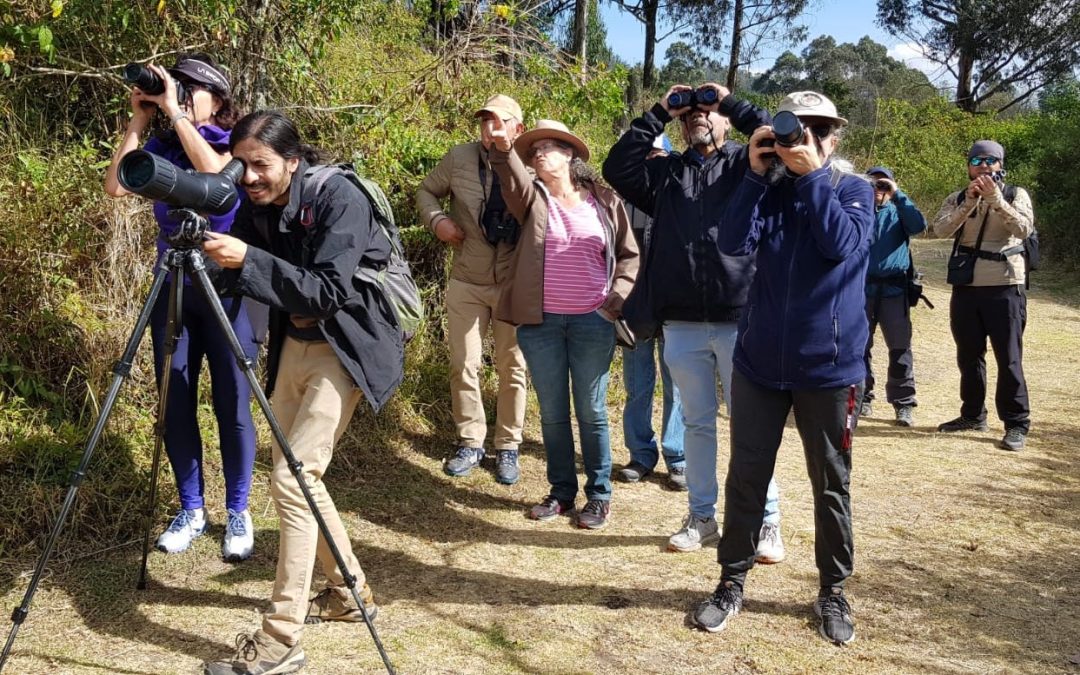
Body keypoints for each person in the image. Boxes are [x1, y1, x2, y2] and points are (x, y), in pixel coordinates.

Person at [201, 110, 404, 674]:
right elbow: (239, 270)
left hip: (345, 345)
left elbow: (328, 291)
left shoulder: (340, 198)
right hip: (295, 344)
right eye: (241, 166)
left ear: (293, 161)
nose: (250, 178)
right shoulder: (258, 205)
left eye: (261, 165)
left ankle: (280, 640)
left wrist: (249, 260)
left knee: (295, 477)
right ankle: (349, 592)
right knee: (294, 477)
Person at [697, 91, 874, 645]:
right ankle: (731, 581)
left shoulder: (854, 190)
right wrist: (753, 173)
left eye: (819, 130)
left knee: (830, 484)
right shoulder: (768, 190)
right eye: (797, 129)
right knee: (746, 476)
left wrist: (813, 176)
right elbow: (730, 242)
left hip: (830, 367)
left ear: (834, 137)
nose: (805, 139)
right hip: (758, 363)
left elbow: (840, 245)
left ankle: (833, 591)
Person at [602, 83, 785, 560]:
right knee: (698, 424)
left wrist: (731, 104)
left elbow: (784, 141)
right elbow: (616, 166)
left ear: (724, 120)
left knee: (751, 426)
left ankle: (766, 522)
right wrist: (661, 109)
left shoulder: (750, 164)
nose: (696, 120)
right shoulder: (664, 175)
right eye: (689, 116)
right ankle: (702, 517)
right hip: (680, 322)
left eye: (707, 113)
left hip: (741, 318)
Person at [103, 54, 259, 562]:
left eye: (193, 88)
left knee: (233, 404)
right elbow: (116, 186)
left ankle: (238, 509)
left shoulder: (232, 145)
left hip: (225, 287)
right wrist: (143, 116)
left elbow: (218, 184)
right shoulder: (162, 146)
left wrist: (179, 114)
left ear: (219, 99)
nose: (183, 94)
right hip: (171, 285)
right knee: (175, 401)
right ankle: (192, 509)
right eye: (178, 85)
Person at [488, 117, 638, 530]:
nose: (538, 154)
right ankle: (561, 492)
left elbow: (628, 255)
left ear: (570, 154)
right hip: (541, 324)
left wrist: (616, 299)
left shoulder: (605, 201)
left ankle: (599, 495)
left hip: (594, 321)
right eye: (533, 150)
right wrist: (504, 150)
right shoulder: (531, 199)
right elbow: (510, 178)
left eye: (548, 147)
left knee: (591, 410)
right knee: (553, 412)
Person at [415, 94, 529, 484]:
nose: (489, 129)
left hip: (514, 283)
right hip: (467, 278)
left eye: (499, 121)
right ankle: (470, 440)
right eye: (484, 121)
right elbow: (425, 191)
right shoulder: (458, 157)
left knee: (512, 367)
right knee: (464, 364)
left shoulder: (531, 159)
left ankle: (508, 446)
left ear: (519, 128)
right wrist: (437, 222)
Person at [932, 140, 1035, 451]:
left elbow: (1023, 229)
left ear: (1000, 164)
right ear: (968, 165)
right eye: (976, 160)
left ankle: (1016, 423)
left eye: (990, 160)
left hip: (1005, 285)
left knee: (1009, 357)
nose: (983, 165)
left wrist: (995, 199)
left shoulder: (1016, 194)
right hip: (966, 287)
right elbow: (941, 230)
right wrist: (970, 202)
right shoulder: (958, 196)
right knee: (968, 355)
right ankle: (972, 415)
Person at [616, 134, 687, 490]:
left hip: (674, 306)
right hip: (633, 307)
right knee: (637, 385)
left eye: (659, 154)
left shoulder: (683, 198)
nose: (653, 161)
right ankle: (640, 455)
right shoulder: (621, 201)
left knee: (678, 385)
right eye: (646, 155)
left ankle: (678, 458)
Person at [861, 166, 927, 427]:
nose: (877, 190)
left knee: (899, 349)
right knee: (859, 348)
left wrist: (898, 194)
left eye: (882, 185)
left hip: (894, 291)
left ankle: (904, 403)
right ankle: (863, 396)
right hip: (862, 290)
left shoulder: (899, 211)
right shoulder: (856, 209)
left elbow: (919, 225)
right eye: (872, 184)